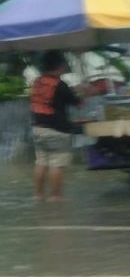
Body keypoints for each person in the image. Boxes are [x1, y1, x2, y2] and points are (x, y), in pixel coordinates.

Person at [30, 51, 87, 201]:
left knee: (41, 162)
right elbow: (79, 104)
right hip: (57, 131)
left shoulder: (37, 82)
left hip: (37, 128)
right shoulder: (60, 85)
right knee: (57, 164)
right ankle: (55, 196)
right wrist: (84, 92)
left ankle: (38, 194)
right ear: (60, 66)